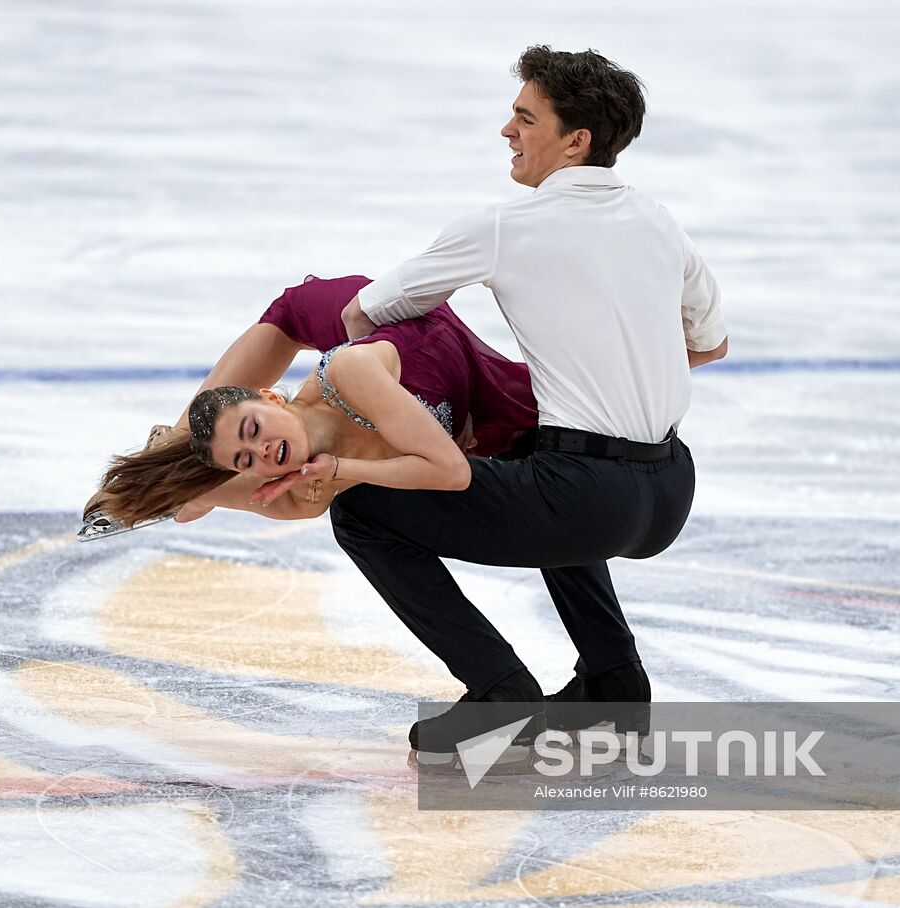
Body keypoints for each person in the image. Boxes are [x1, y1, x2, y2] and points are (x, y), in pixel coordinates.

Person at [278, 46, 729, 755]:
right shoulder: (658, 222)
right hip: (671, 489)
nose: (507, 131)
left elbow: (366, 315)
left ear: (574, 141)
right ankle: (613, 681)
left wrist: (411, 415)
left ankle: (499, 689)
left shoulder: (503, 225)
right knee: (537, 446)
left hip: (582, 500)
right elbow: (708, 344)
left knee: (363, 509)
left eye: (525, 117)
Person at [84, 273, 538, 529]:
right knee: (256, 463)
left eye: (254, 435)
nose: (258, 451)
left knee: (290, 318)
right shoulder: (301, 490)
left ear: (273, 400)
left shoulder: (351, 377)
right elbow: (281, 483)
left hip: (412, 347)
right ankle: (184, 478)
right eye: (246, 458)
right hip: (395, 383)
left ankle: (175, 446)